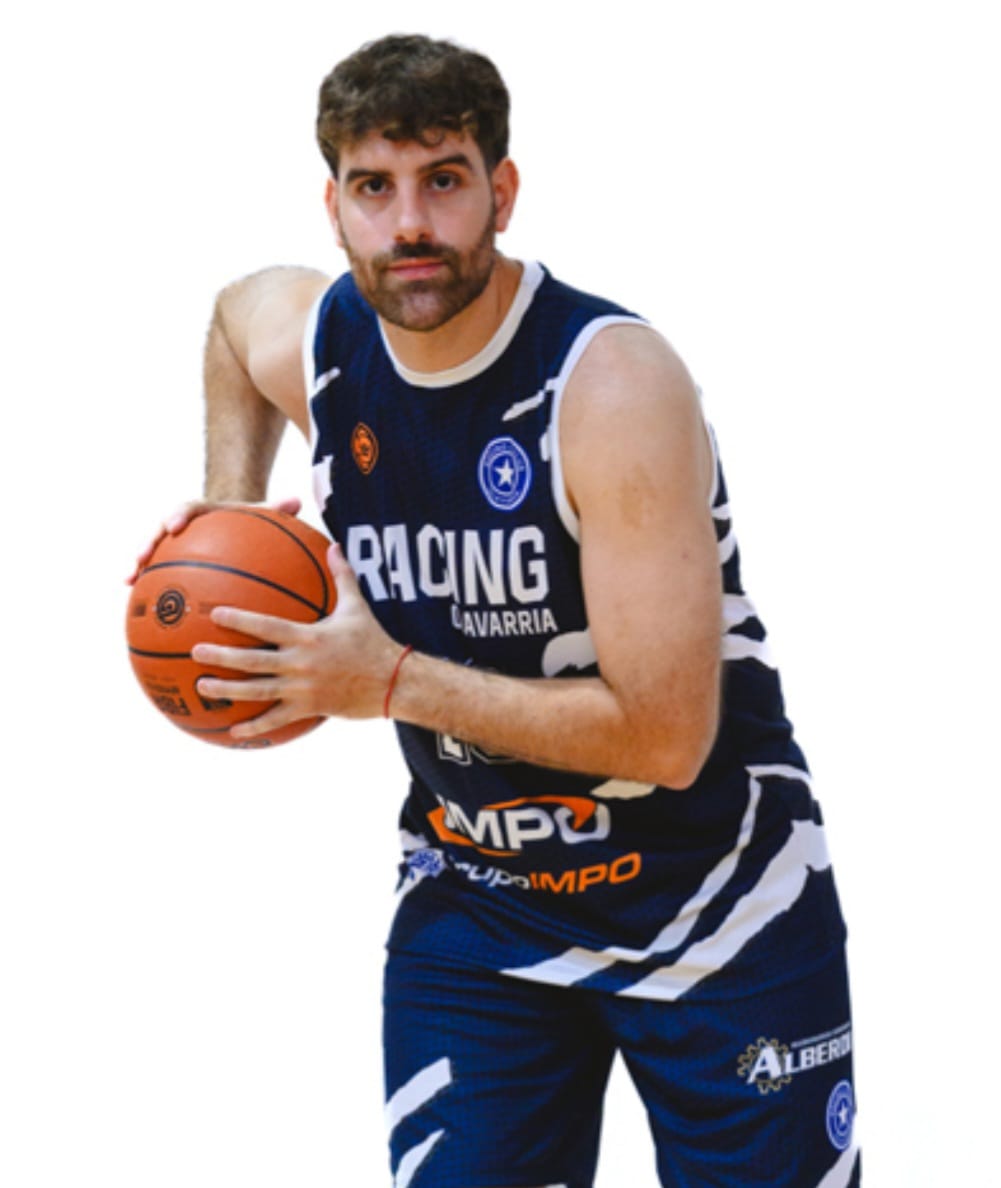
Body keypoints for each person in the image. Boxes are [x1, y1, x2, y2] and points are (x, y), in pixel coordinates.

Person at [138, 33, 859, 1188]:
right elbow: (235, 319)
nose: (408, 224)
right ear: (333, 208)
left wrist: (385, 682)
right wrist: (232, 518)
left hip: (716, 905)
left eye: (443, 180)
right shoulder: (328, 346)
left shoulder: (605, 384)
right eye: (373, 188)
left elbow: (666, 736)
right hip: (476, 903)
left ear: (501, 192)